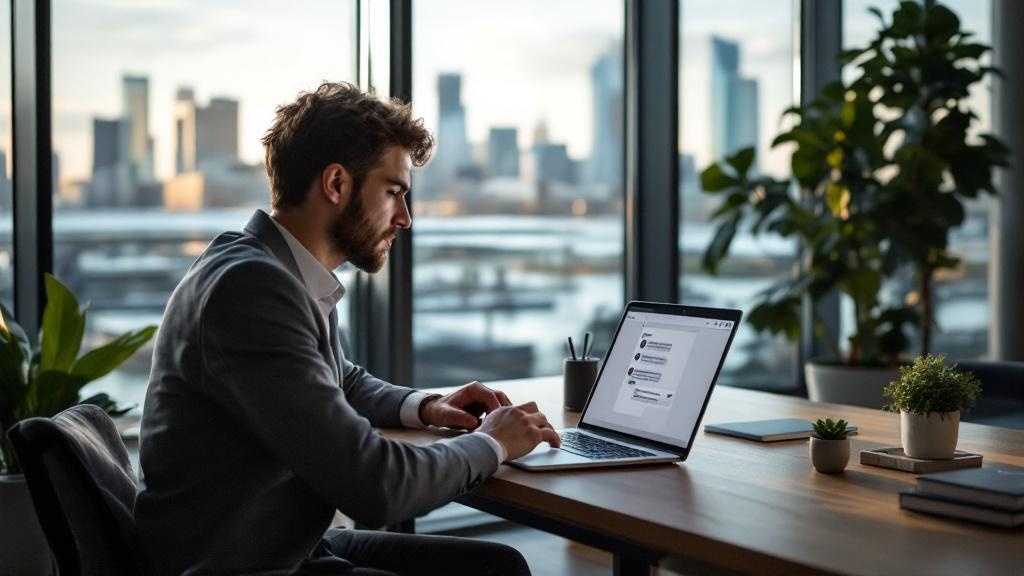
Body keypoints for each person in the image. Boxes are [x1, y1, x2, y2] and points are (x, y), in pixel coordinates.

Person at [135, 82, 561, 576]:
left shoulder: (268, 265)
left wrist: (425, 406)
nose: (404, 218)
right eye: (394, 192)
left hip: (286, 546)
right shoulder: (252, 289)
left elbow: (339, 377)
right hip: (243, 565)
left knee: (495, 566)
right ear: (336, 184)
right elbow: (377, 486)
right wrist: (494, 443)